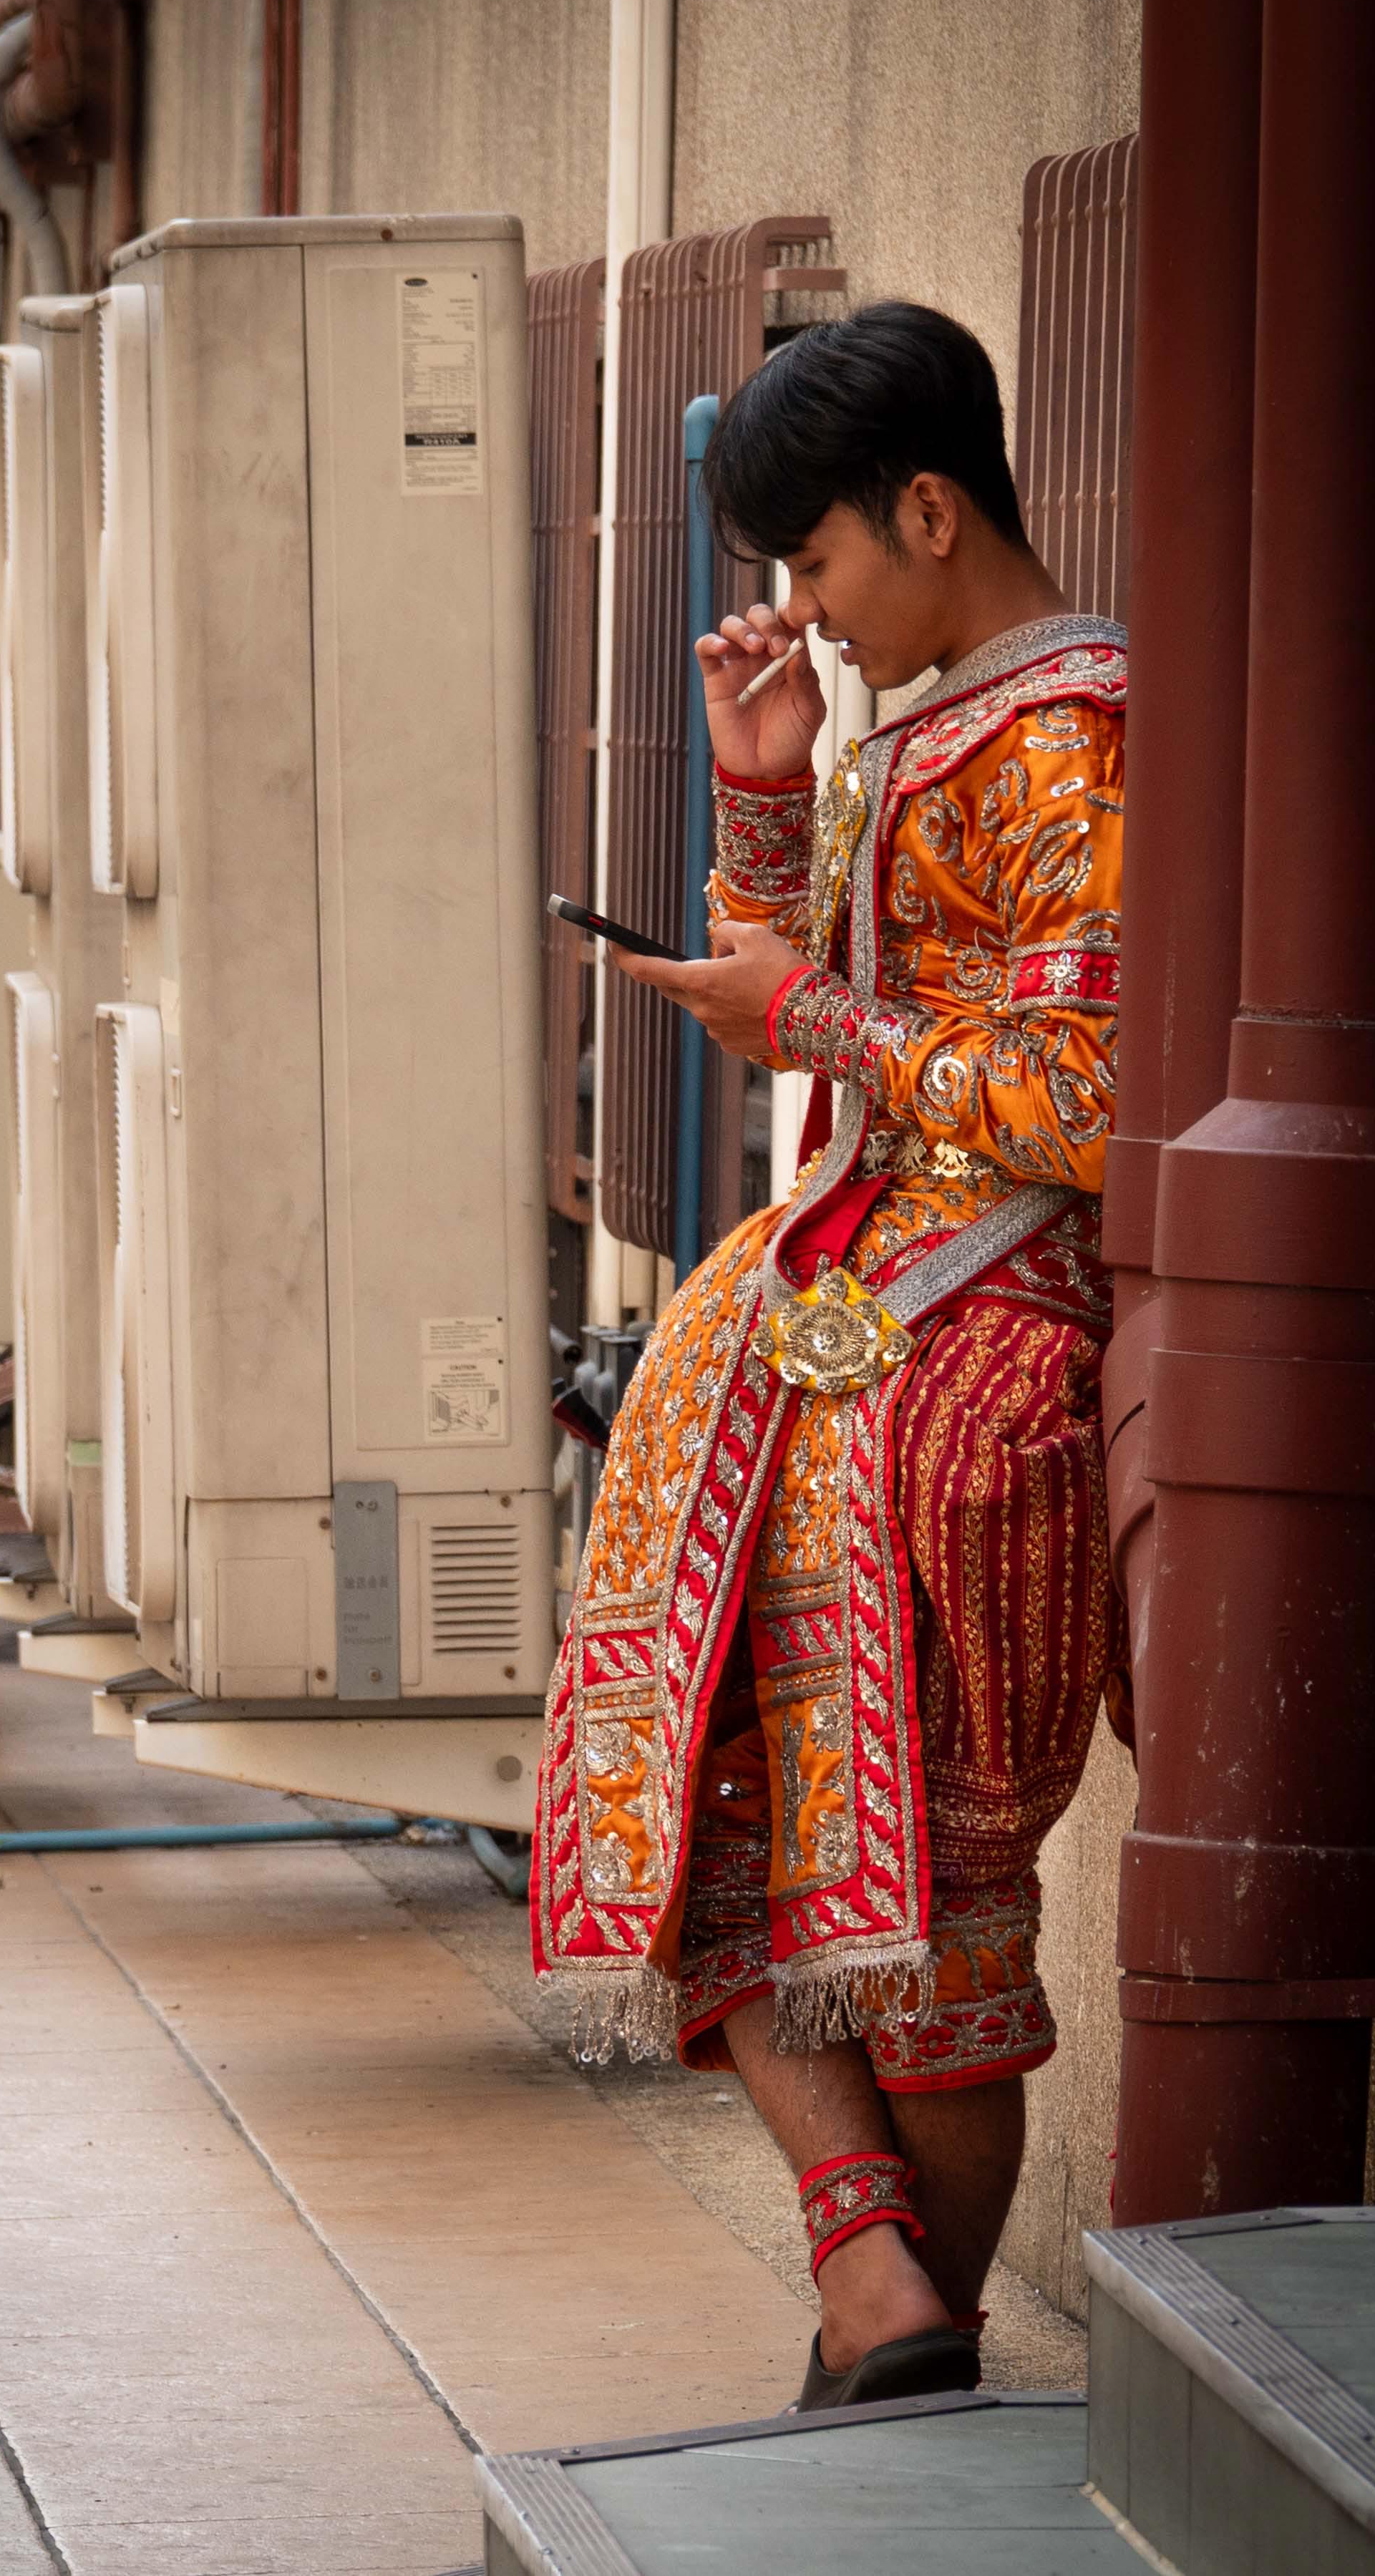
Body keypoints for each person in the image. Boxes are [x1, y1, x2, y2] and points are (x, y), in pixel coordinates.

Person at [530, 301, 1129, 2411]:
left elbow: (1078, 1095)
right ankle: (875, 2289)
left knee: (926, 1906)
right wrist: (772, 801)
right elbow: (840, 1010)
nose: (807, 611)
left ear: (932, 508)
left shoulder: (1070, 731)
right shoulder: (962, 712)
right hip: (845, 1338)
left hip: (971, 1361)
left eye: (820, 565)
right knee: (750, 1839)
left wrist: (809, 1015)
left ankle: (884, 2316)